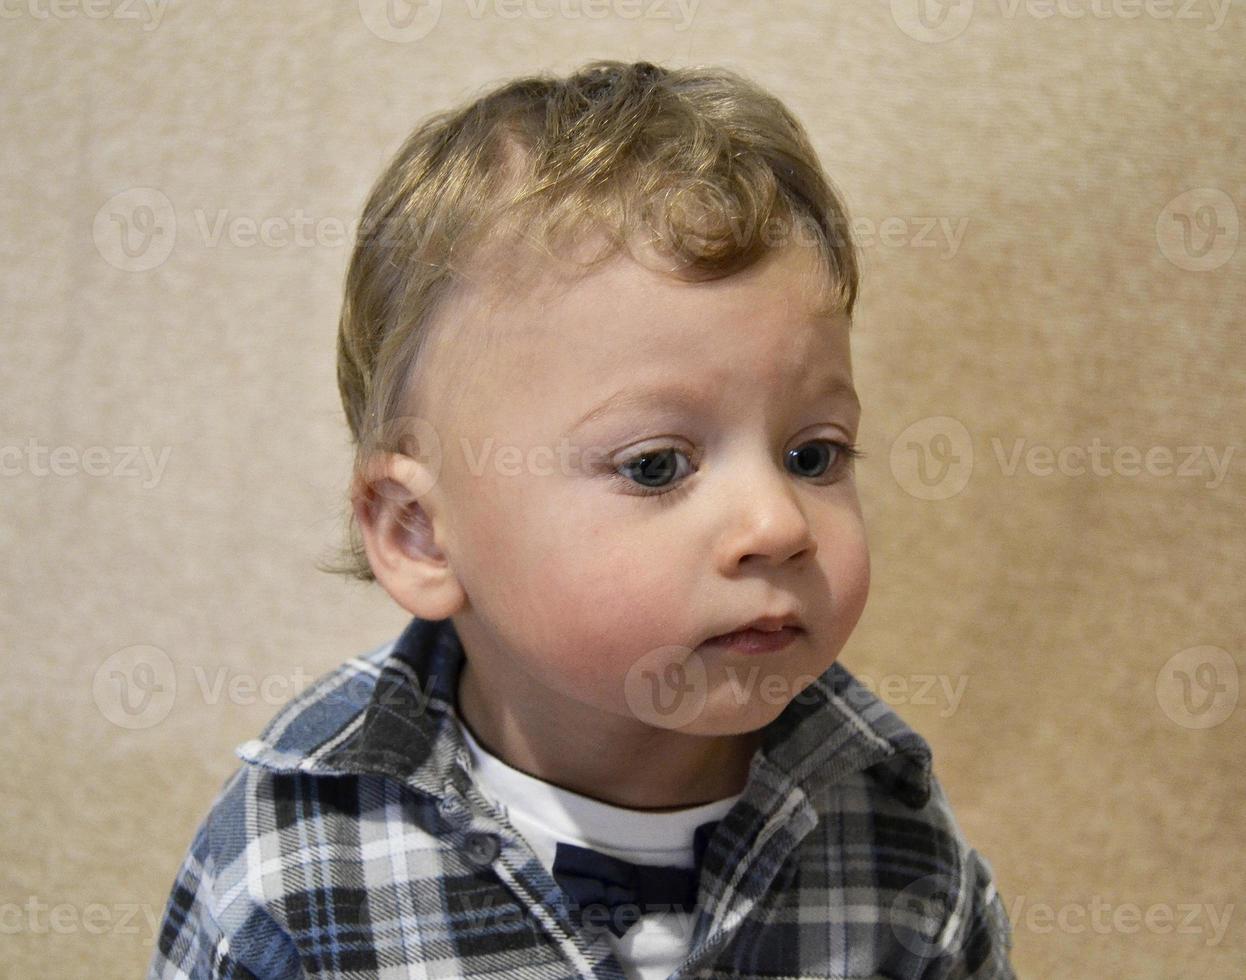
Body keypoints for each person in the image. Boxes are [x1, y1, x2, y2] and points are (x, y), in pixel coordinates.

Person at [148, 59, 1016, 979]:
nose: (777, 521)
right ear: (420, 534)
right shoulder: (302, 868)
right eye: (656, 467)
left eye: (814, 455)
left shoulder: (894, 835)